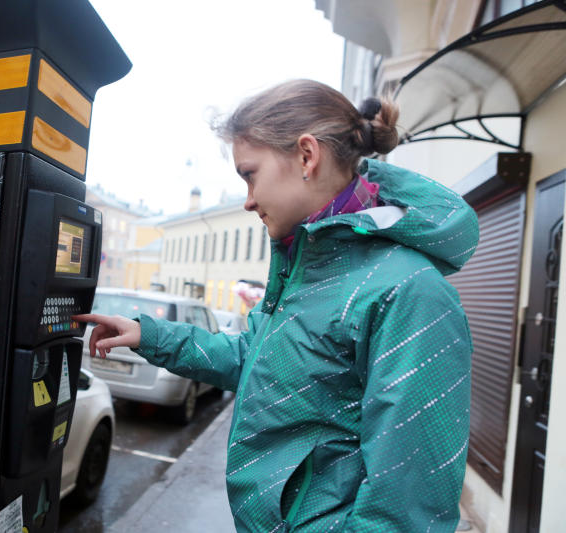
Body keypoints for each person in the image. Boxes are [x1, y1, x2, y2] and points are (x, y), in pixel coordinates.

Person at [75, 79, 477, 532]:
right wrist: (150, 335)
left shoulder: (410, 292)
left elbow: (406, 512)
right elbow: (256, 361)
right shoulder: (304, 265)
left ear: (307, 156)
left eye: (250, 174)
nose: (247, 201)